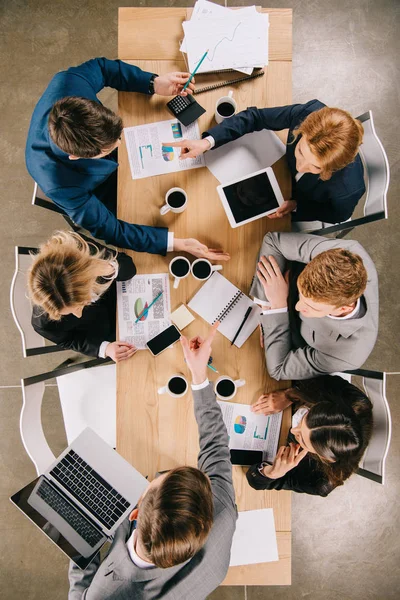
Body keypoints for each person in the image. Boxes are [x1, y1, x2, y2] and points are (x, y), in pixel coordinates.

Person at [68, 323, 237, 599]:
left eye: (157, 480)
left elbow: (79, 592)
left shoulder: (104, 595)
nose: (155, 475)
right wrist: (198, 376)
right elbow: (216, 447)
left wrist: (79, 536)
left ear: (134, 513)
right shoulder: (221, 513)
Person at [25, 57, 229, 263]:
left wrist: (154, 83)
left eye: (118, 137)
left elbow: (103, 69)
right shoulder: (58, 184)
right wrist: (177, 243)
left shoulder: (68, 83)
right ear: (76, 156)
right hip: (98, 187)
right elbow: (112, 230)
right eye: (109, 148)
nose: (121, 144)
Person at [168, 99, 365, 224]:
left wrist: (295, 205)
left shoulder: (347, 189)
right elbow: (256, 118)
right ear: (301, 129)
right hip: (275, 170)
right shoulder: (309, 113)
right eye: (300, 151)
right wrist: (206, 142)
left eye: (315, 167)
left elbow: (336, 215)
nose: (300, 166)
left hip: (298, 198)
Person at [251, 231, 378, 380]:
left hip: (289, 333)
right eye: (301, 295)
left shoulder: (349, 353)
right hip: (283, 286)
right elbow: (273, 242)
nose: (298, 306)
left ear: (344, 308)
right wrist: (264, 304)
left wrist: (276, 309)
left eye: (313, 307)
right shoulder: (344, 256)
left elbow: (279, 369)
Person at [246, 375, 373, 496]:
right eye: (304, 417)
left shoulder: (320, 482)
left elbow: (256, 482)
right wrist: (289, 395)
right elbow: (314, 379)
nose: (293, 430)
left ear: (324, 458)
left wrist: (272, 473)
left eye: (302, 439)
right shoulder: (352, 399)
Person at [29, 231, 137, 361]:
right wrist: (105, 348)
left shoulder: (80, 250)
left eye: (81, 305)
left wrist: (108, 268)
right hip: (108, 331)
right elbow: (69, 340)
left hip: (126, 292)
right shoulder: (43, 323)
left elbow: (129, 267)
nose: (78, 315)